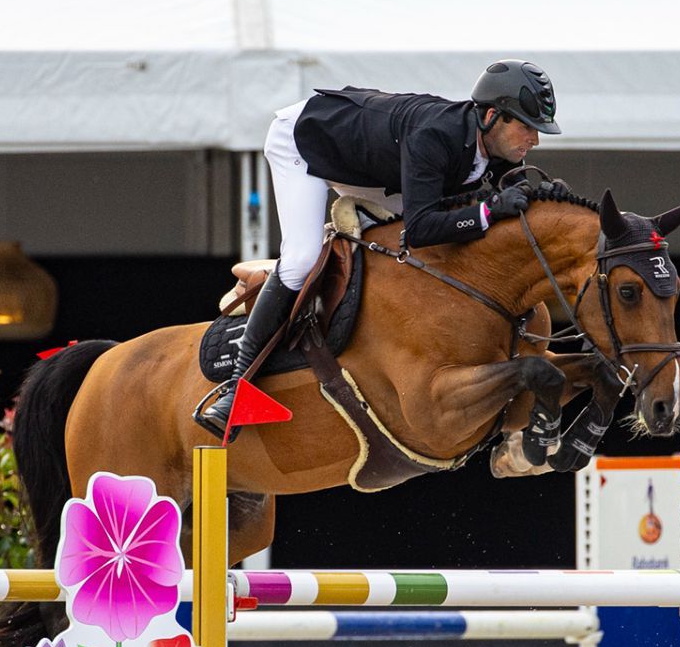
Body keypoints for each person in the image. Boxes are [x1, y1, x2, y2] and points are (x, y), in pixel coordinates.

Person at [197, 59, 561, 437]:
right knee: (302, 258)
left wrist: (543, 198)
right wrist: (488, 211)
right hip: (304, 143)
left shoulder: (494, 147)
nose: (534, 140)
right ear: (491, 116)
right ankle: (237, 386)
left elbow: (502, 206)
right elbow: (421, 229)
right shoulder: (435, 136)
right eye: (527, 127)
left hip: (366, 163)